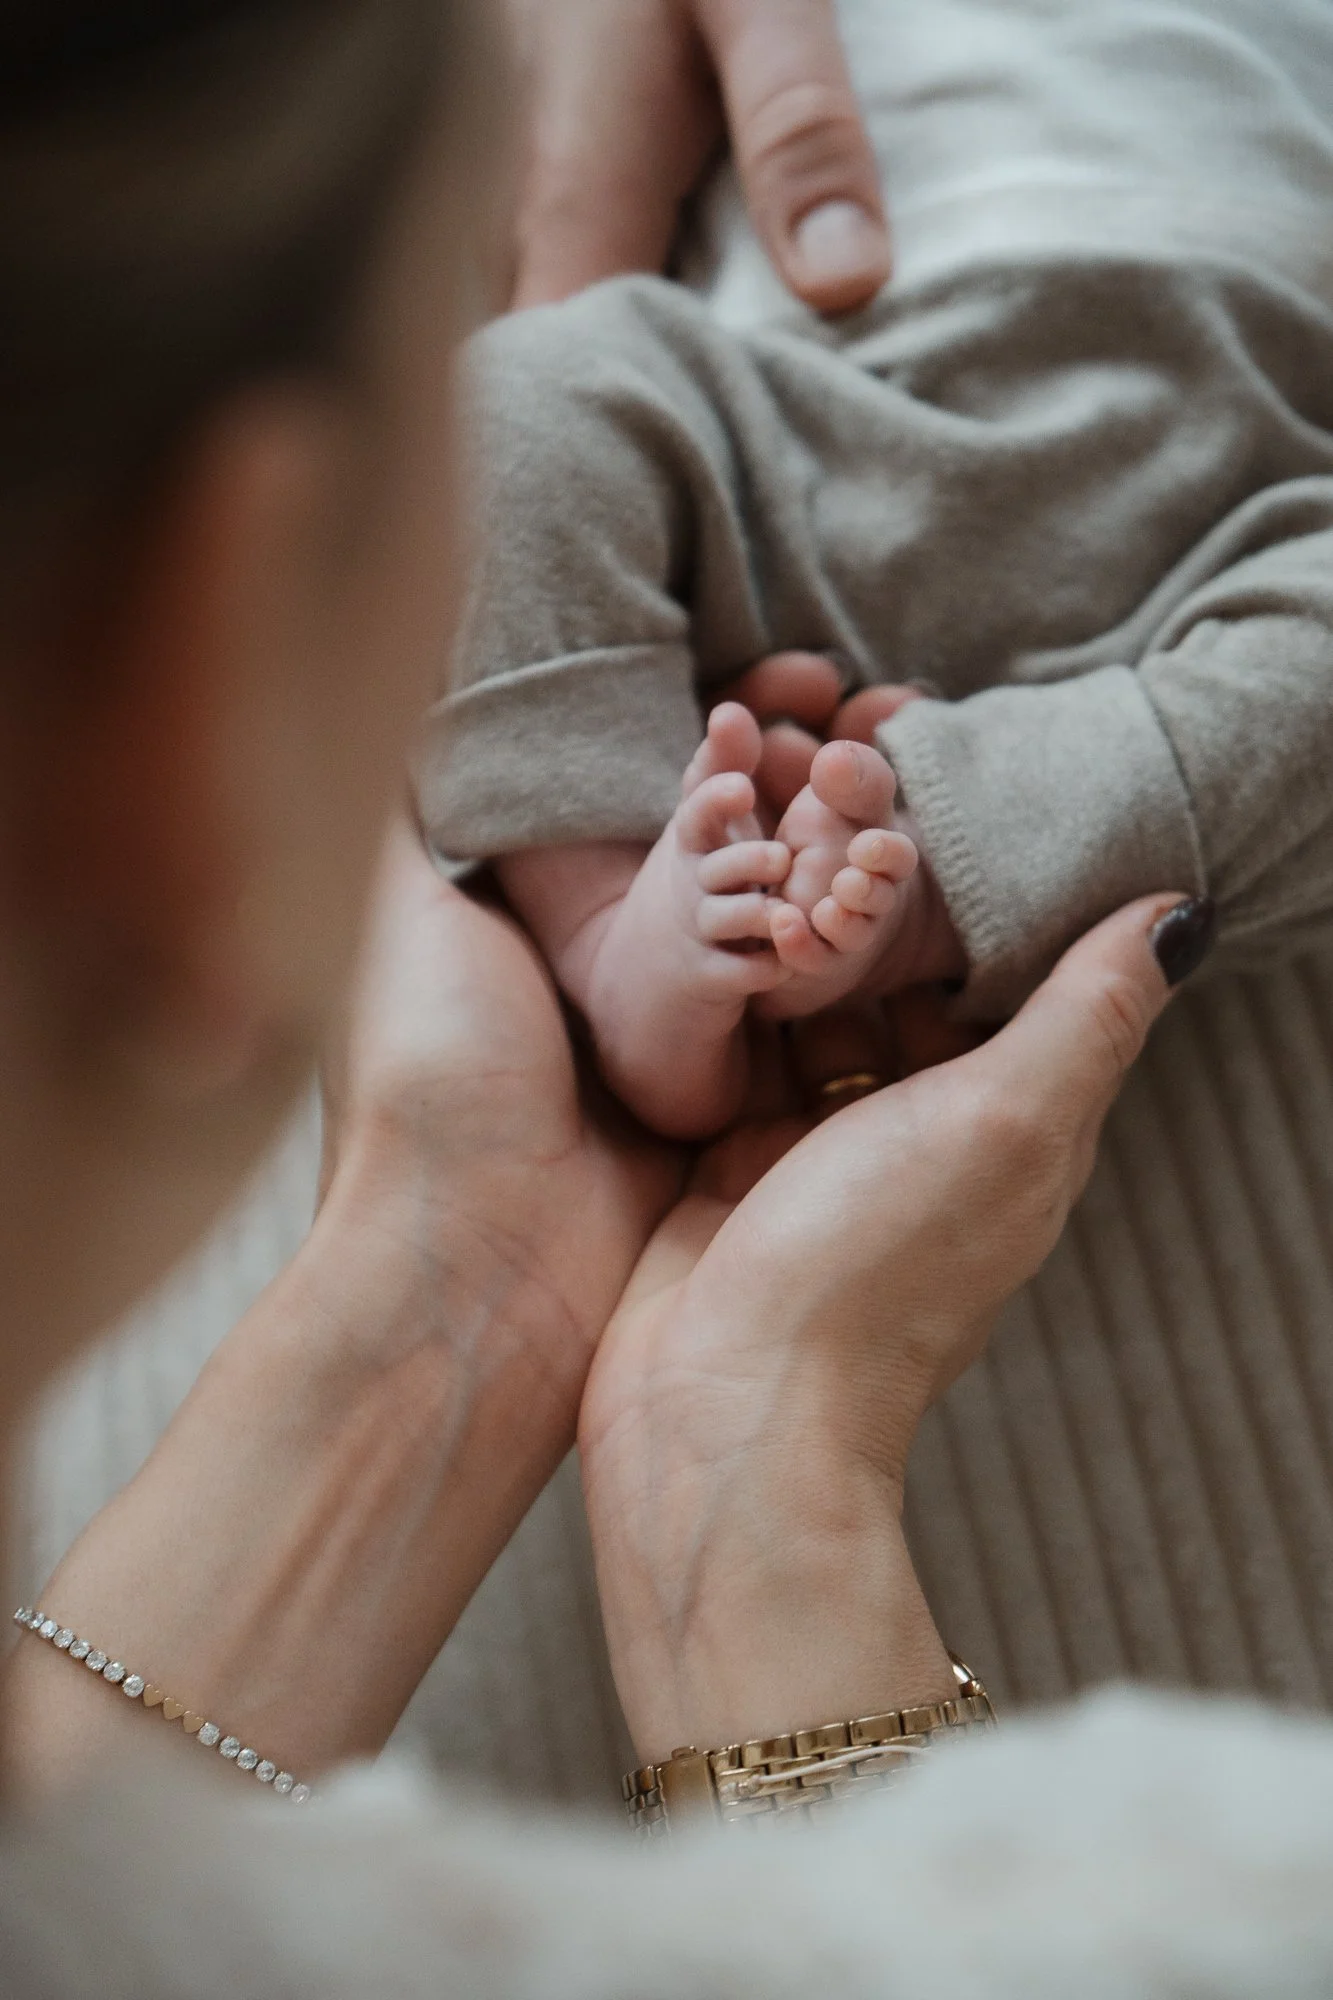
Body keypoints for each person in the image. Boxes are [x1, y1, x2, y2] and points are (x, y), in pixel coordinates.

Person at [4, 3, 1333, 1995]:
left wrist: (451, 1261)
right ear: (208, 657)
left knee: (497, 399)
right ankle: (620, 904)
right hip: (794, 406)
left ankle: (855, 877)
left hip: (1234, 426)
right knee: (525, 401)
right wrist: (757, 1465)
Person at [420, 0, 1333, 1138]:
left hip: (1248, 467)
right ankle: (609, 916)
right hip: (794, 425)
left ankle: (945, 873)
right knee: (497, 405)